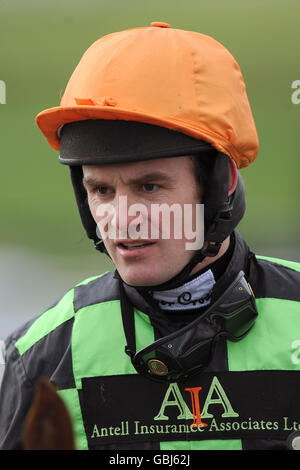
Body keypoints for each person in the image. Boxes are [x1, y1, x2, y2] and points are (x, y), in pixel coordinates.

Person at [0, 21, 300, 452]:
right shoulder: (41, 354)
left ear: (222, 183)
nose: (122, 219)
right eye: (101, 190)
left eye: (150, 187)